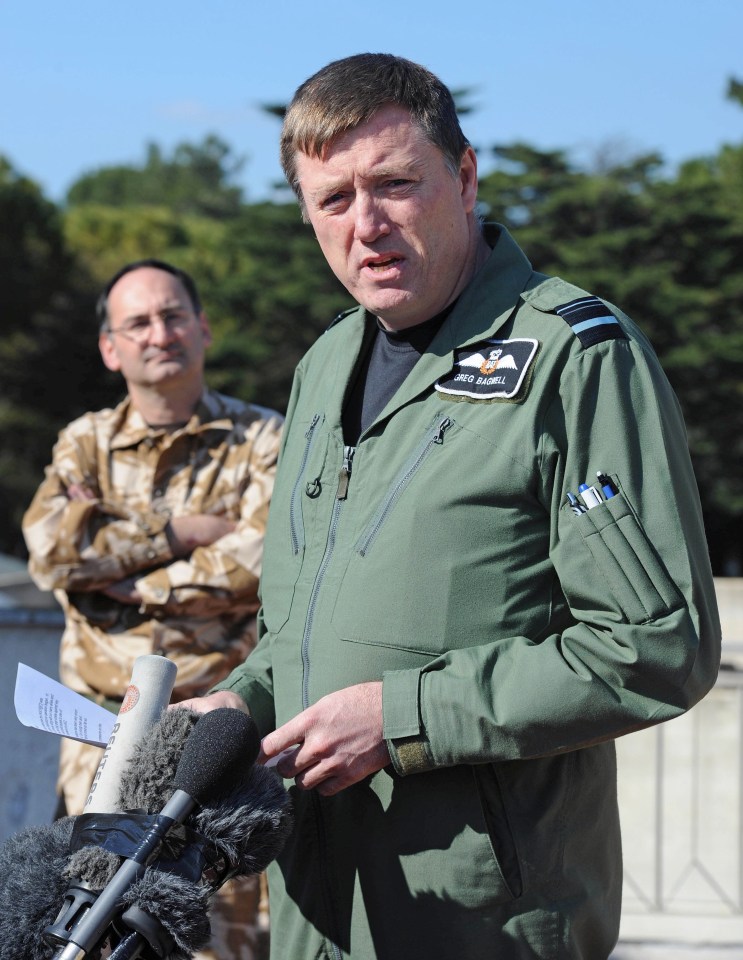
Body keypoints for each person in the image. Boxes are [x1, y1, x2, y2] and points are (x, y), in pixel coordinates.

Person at [180, 54, 721, 959]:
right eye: (333, 200)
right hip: (316, 908)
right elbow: (298, 634)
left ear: (464, 178)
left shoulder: (573, 358)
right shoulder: (322, 369)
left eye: (395, 184)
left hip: (480, 917)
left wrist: (403, 718)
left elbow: (656, 644)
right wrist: (236, 706)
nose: (368, 226)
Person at [22, 259, 283, 960]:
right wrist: (179, 535)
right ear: (111, 347)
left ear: (202, 328)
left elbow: (267, 559)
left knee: (220, 932)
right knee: (92, 923)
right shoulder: (86, 442)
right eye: (136, 322)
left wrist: (137, 581)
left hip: (218, 733)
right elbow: (52, 550)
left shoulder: (262, 440)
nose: (158, 333)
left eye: (173, 316)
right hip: (102, 737)